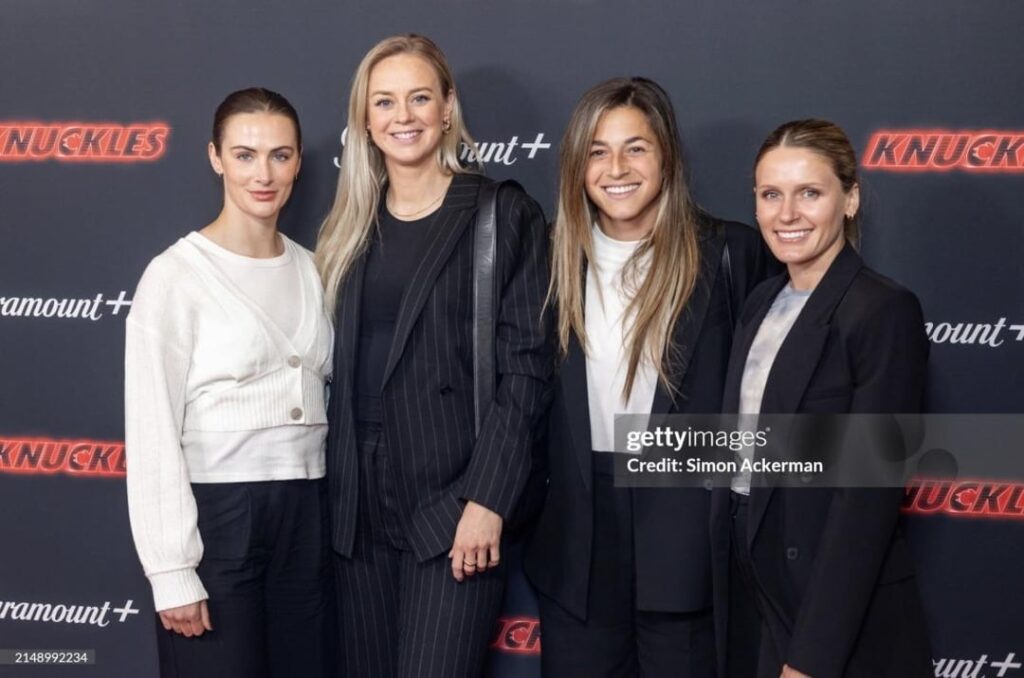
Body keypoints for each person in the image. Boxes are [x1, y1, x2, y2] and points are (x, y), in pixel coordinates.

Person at [315, 34, 551, 678]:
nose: (404, 116)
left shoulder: (503, 213)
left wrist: (487, 500)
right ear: (365, 120)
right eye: (384, 102)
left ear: (448, 108)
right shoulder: (349, 225)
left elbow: (527, 370)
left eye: (420, 97)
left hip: (453, 501)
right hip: (355, 506)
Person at [523, 77, 775, 678]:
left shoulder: (729, 252)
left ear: (667, 157)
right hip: (577, 542)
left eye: (636, 147)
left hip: (688, 540)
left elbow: (766, 401)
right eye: (598, 150)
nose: (617, 167)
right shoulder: (547, 258)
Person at [710, 119, 932, 678]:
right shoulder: (761, 301)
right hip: (755, 601)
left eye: (809, 192)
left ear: (850, 199)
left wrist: (810, 658)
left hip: (835, 621)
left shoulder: (883, 310)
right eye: (770, 195)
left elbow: (866, 502)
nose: (787, 214)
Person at [125, 88, 333, 678]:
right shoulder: (174, 277)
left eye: (279, 155)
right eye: (245, 155)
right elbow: (152, 428)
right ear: (215, 157)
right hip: (219, 522)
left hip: (307, 515)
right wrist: (171, 570)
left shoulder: (316, 268)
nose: (263, 174)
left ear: (297, 163)